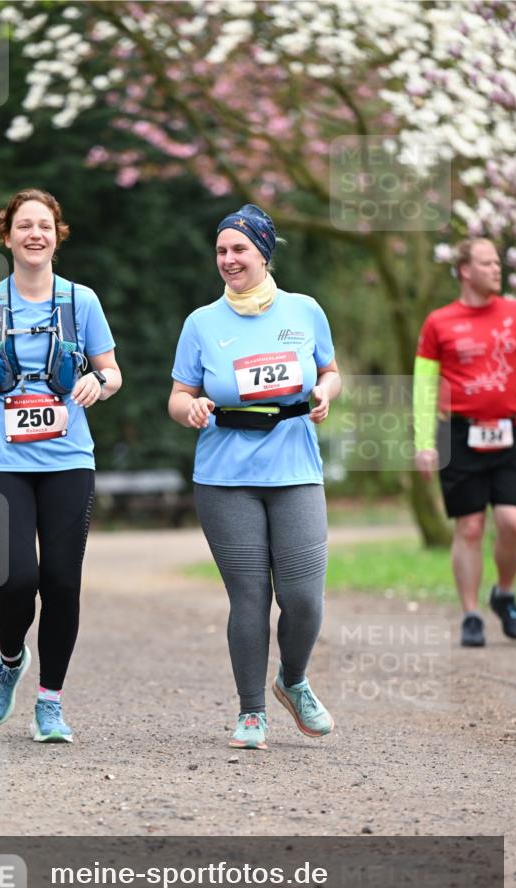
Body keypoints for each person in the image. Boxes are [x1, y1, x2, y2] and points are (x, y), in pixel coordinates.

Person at [0, 188, 121, 743]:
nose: (35, 234)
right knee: (16, 577)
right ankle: (8, 660)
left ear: (57, 234)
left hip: (69, 458)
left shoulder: (81, 302)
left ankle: (50, 703)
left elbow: (111, 371)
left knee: (63, 581)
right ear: (7, 236)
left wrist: (97, 382)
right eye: (24, 225)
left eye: (44, 225)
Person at [169, 204, 341, 750]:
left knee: (304, 598)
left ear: (263, 252)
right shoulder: (202, 323)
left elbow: (330, 371)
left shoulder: (305, 311)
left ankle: (292, 680)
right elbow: (178, 395)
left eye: (239, 249)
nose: (228, 259)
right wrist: (189, 410)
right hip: (225, 475)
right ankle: (251, 714)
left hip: (294, 467)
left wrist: (324, 393)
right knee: (249, 596)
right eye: (221, 250)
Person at [414, 237, 516, 647]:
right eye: (487, 262)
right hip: (458, 433)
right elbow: (424, 386)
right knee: (471, 526)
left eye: (498, 262)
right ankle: (471, 615)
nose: (497, 268)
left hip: (509, 431)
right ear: (465, 270)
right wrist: (425, 441)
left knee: (515, 523)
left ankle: (505, 593)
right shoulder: (438, 323)